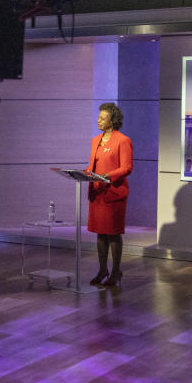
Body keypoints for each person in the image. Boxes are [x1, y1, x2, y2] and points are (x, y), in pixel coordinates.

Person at [85, 102, 133, 287]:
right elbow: (93, 166)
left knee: (112, 233)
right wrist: (85, 172)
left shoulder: (122, 140)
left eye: (102, 118)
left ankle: (115, 272)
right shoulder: (95, 140)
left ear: (112, 120)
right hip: (97, 192)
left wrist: (107, 176)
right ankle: (102, 269)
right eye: (98, 117)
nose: (98, 120)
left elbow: (126, 167)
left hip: (113, 193)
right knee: (100, 233)